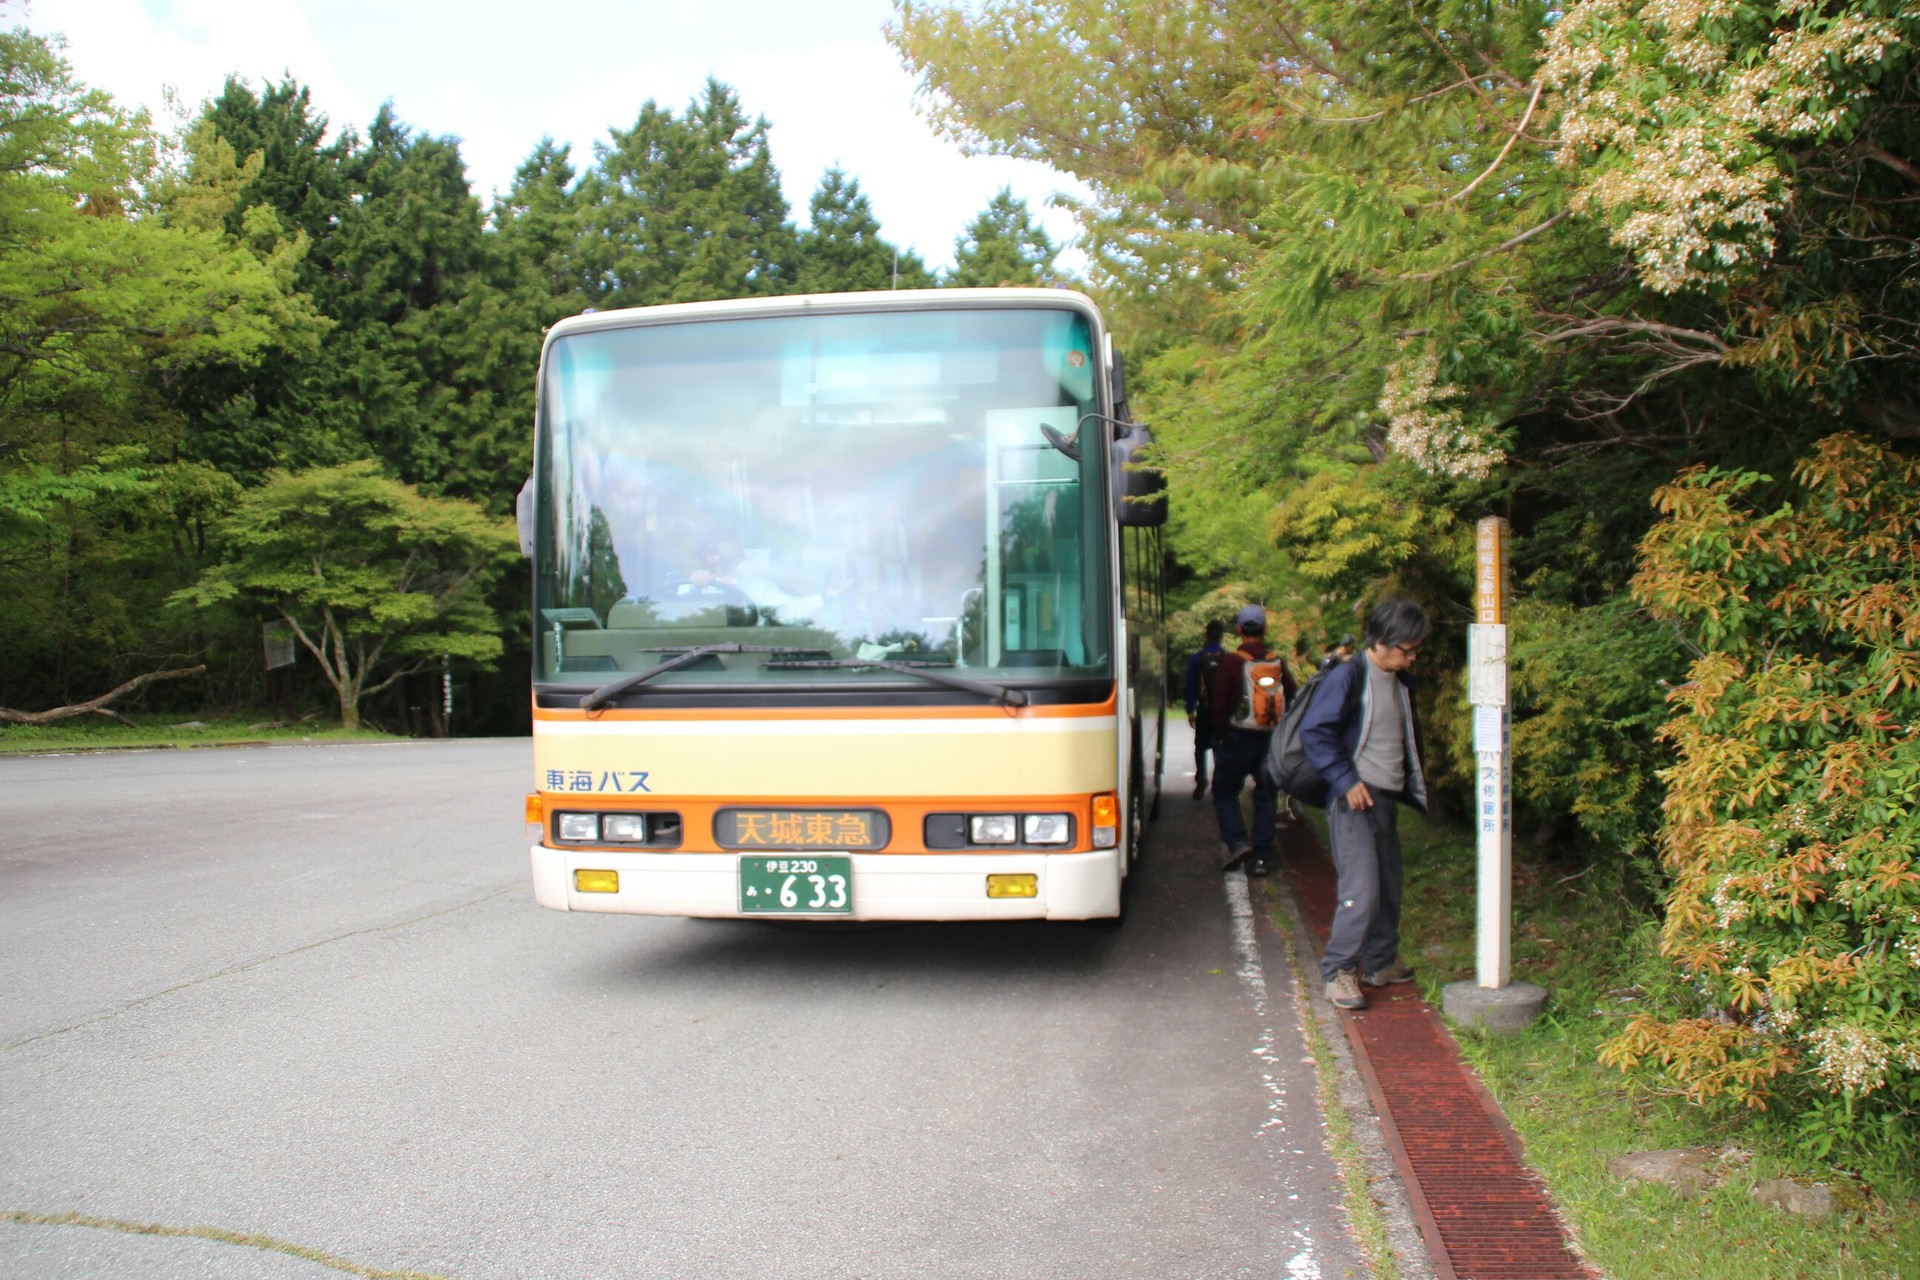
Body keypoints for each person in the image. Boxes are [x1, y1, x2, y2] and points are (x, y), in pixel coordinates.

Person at [1299, 597, 1431, 1011]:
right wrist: (1346, 780)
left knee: (1389, 886)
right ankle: (1338, 973)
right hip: (1354, 802)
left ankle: (1379, 962)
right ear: (1379, 640)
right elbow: (1315, 732)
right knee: (1363, 890)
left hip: (1384, 799)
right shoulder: (1349, 676)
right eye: (1405, 649)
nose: (1411, 657)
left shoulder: (1398, 681)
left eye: (1414, 650)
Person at [1211, 604, 1297, 877]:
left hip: (1238, 738)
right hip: (1269, 739)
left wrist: (1221, 734)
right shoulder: (1277, 662)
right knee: (1266, 795)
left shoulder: (1233, 662)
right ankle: (1262, 857)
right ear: (1265, 629)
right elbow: (1293, 697)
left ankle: (1237, 842)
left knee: (1224, 790)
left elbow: (1220, 705)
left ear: (1238, 629)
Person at [1182, 620, 1227, 799]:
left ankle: (1201, 777)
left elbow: (1191, 685)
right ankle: (1218, 781)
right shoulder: (1227, 658)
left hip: (1204, 710)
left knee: (1200, 746)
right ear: (1222, 636)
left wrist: (1190, 709)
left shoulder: (1197, 658)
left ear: (1206, 635)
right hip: (1222, 712)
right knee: (1219, 746)